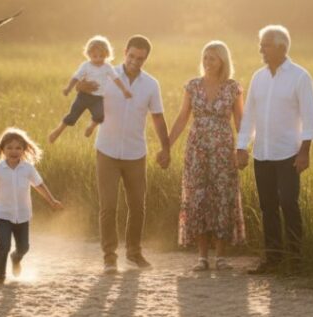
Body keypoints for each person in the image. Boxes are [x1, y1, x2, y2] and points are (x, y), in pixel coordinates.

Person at [76, 35, 170, 274]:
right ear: (125, 51)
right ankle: (109, 257)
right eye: (131, 56)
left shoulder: (151, 85)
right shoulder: (106, 75)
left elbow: (158, 117)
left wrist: (165, 148)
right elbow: (85, 94)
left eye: (140, 58)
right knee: (108, 206)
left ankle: (134, 253)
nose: (135, 62)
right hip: (106, 151)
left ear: (146, 58)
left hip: (135, 154)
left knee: (137, 206)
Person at [236, 25, 313, 274]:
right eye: (261, 45)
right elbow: (248, 115)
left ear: (281, 47)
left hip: (288, 154)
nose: (261, 49)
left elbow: (310, 118)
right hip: (263, 153)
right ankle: (272, 259)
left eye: (266, 45)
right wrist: (241, 147)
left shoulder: (300, 77)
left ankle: (295, 260)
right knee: (267, 206)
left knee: (289, 204)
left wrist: (305, 152)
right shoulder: (258, 77)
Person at [168, 40, 245, 271]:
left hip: (223, 149)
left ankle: (221, 257)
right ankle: (202, 257)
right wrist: (167, 145)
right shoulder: (193, 86)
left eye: (212, 58)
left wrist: (242, 149)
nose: (207, 62)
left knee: (223, 196)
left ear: (223, 60)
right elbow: (182, 117)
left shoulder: (233, 88)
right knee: (198, 197)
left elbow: (241, 121)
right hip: (197, 149)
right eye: (205, 57)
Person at [0, 127, 63, 283]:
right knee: (4, 245)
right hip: (3, 214)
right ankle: (0, 276)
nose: (14, 151)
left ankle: (16, 258)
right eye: (9, 148)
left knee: (24, 247)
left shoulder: (28, 169)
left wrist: (52, 200)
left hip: (23, 214)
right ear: (3, 150)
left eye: (18, 148)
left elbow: (39, 185)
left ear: (24, 150)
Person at [49, 35, 133, 143]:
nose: (98, 59)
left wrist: (124, 90)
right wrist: (68, 88)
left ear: (107, 54)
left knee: (100, 115)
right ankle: (58, 130)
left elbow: (116, 78)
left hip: (97, 98)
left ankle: (91, 127)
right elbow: (76, 77)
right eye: (95, 56)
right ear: (89, 55)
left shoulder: (107, 67)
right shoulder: (86, 66)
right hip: (83, 97)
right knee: (72, 115)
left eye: (101, 56)